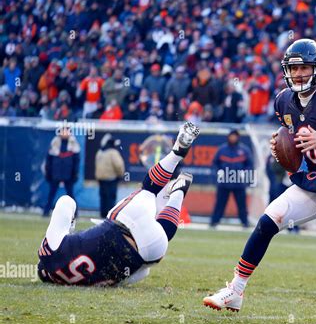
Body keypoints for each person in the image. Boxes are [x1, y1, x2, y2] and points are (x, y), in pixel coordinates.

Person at [203, 39, 316, 322]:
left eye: (304, 67)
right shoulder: (284, 100)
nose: (298, 74)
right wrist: (281, 148)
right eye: (293, 68)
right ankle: (236, 290)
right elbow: (297, 144)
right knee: (269, 219)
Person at [37, 122, 199, 286]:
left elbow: (137, 275)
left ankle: (178, 193)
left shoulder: (76, 281)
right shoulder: (49, 252)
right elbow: (66, 203)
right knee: (149, 190)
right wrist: (70, 228)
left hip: (151, 252)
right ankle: (176, 154)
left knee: (146, 264)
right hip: (124, 224)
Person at [210, 130, 253, 228]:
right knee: (220, 204)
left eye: (235, 136)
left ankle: (245, 223)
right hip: (224, 182)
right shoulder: (222, 149)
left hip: (238, 182)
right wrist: (218, 173)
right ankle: (214, 222)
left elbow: (250, 164)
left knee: (242, 205)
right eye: (231, 136)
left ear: (238, 137)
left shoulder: (244, 150)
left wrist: (245, 173)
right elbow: (215, 164)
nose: (233, 138)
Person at [43, 128, 80, 217]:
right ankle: (46, 211)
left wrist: (75, 173)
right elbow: (48, 160)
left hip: (68, 174)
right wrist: (48, 172)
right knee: (51, 194)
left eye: (66, 131)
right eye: (63, 131)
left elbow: (76, 161)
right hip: (56, 173)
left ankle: (75, 213)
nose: (64, 133)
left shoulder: (73, 144)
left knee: (70, 195)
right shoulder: (54, 143)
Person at [95, 133, 125, 218]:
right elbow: (119, 165)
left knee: (103, 197)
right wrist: (120, 175)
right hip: (111, 178)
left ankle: (103, 214)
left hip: (101, 179)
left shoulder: (100, 152)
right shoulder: (113, 152)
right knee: (111, 198)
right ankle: (110, 215)